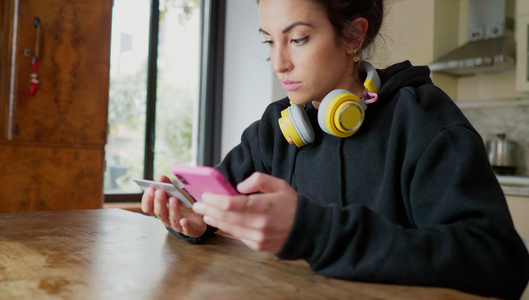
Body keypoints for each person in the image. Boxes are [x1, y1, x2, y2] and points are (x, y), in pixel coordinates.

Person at [141, 0, 529, 298]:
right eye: (269, 41)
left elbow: (499, 264)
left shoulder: (423, 121)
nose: (278, 63)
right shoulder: (274, 129)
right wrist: (195, 221)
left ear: (352, 36)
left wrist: (314, 231)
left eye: (297, 39)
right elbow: (215, 198)